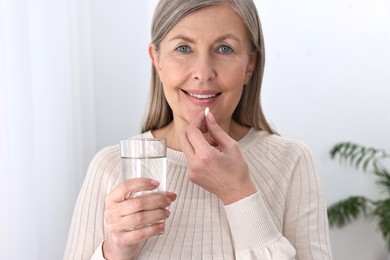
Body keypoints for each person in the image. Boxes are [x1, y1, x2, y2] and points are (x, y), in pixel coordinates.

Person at [64, 0, 333, 259]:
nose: (203, 73)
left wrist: (238, 193)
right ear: (156, 59)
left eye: (224, 49)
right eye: (183, 48)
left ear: (250, 66)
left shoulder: (291, 161)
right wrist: (114, 252)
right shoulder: (110, 167)